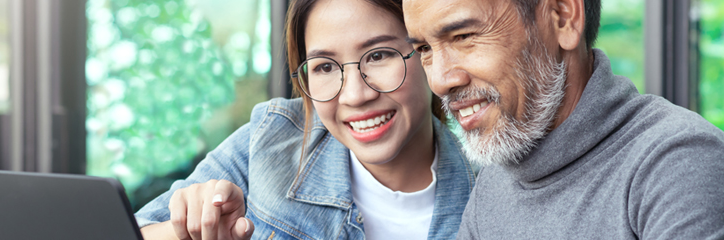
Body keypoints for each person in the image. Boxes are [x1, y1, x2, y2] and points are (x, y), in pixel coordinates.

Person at [135, 0, 476, 239]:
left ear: (426, 53)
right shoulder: (272, 137)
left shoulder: (489, 187)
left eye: (378, 55)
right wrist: (186, 232)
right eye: (325, 67)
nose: (355, 95)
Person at [402, 0, 724, 238]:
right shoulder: (494, 182)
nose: (440, 81)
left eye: (463, 36)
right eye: (424, 49)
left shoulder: (676, 160)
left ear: (563, 18)